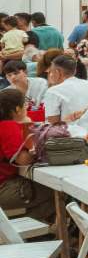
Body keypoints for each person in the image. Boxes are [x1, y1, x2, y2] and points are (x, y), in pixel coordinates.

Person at [0, 88, 54, 220]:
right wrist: (39, 151)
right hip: (4, 188)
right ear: (17, 109)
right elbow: (22, 160)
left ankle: (40, 228)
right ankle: (20, 228)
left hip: (5, 184)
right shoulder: (8, 126)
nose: (27, 108)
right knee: (56, 190)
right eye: (25, 104)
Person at [43, 55, 88, 135]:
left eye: (51, 71)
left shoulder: (53, 91)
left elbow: (53, 124)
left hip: (68, 137)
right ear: (74, 71)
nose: (50, 74)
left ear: (57, 72)